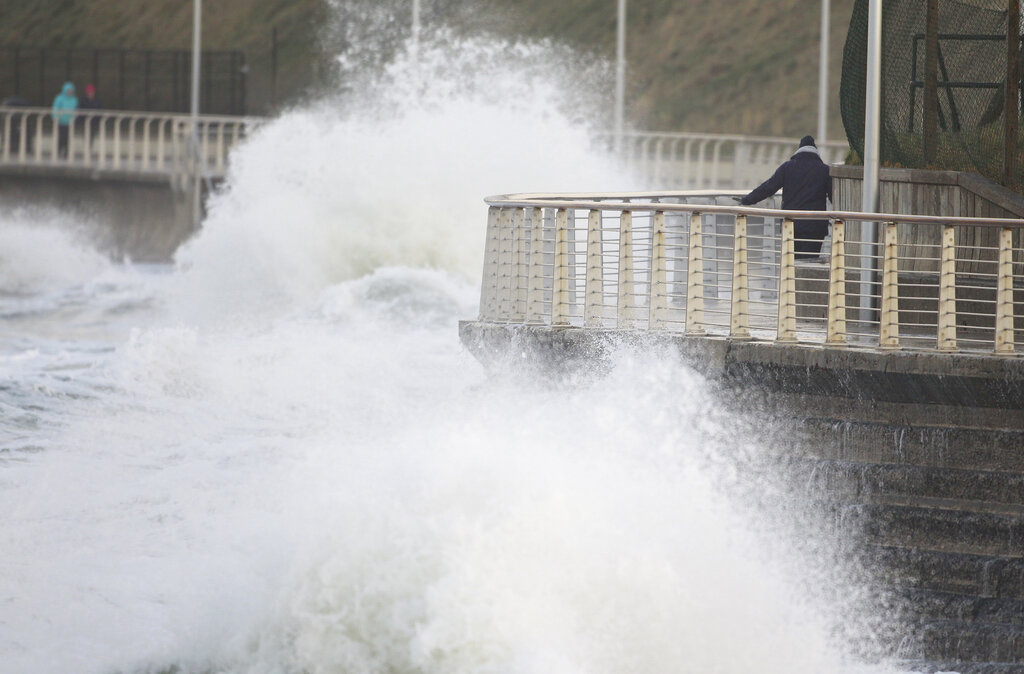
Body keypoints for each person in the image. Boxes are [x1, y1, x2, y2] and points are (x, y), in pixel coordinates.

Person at [739, 135, 833, 260]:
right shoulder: (825, 170)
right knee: (810, 261)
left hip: (791, 224)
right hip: (815, 226)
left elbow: (768, 187)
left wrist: (747, 200)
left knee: (791, 263)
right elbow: (834, 197)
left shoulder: (787, 167)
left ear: (799, 150)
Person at [51, 81, 78, 158]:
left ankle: (67, 153)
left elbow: (76, 110)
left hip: (70, 122)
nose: (69, 92)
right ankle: (58, 152)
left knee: (68, 138)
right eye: (68, 90)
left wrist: (74, 118)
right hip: (60, 121)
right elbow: (55, 108)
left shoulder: (74, 99)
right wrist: (55, 117)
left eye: (71, 90)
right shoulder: (59, 98)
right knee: (61, 137)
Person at [78, 84, 103, 151]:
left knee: (91, 136)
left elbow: (100, 111)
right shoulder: (83, 100)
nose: (91, 93)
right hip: (84, 122)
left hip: (93, 123)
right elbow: (80, 110)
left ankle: (89, 149)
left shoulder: (97, 101)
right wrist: (81, 120)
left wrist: (98, 120)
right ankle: (86, 149)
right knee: (85, 136)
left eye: (92, 92)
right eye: (90, 92)